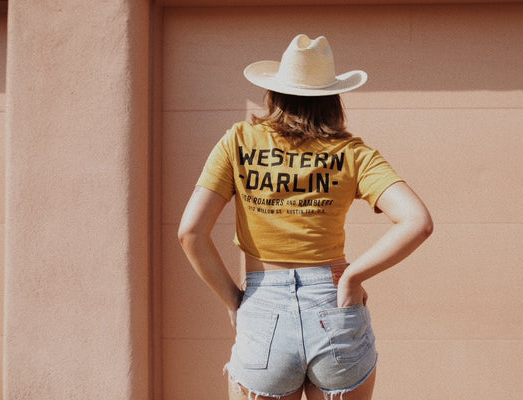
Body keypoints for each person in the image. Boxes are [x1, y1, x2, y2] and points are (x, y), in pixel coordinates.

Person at [178, 34, 433, 400]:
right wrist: (354, 277)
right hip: (334, 305)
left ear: (275, 93)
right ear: (332, 99)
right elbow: (417, 221)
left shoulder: (239, 141)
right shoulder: (352, 153)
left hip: (263, 307)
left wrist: (233, 300)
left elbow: (190, 233)